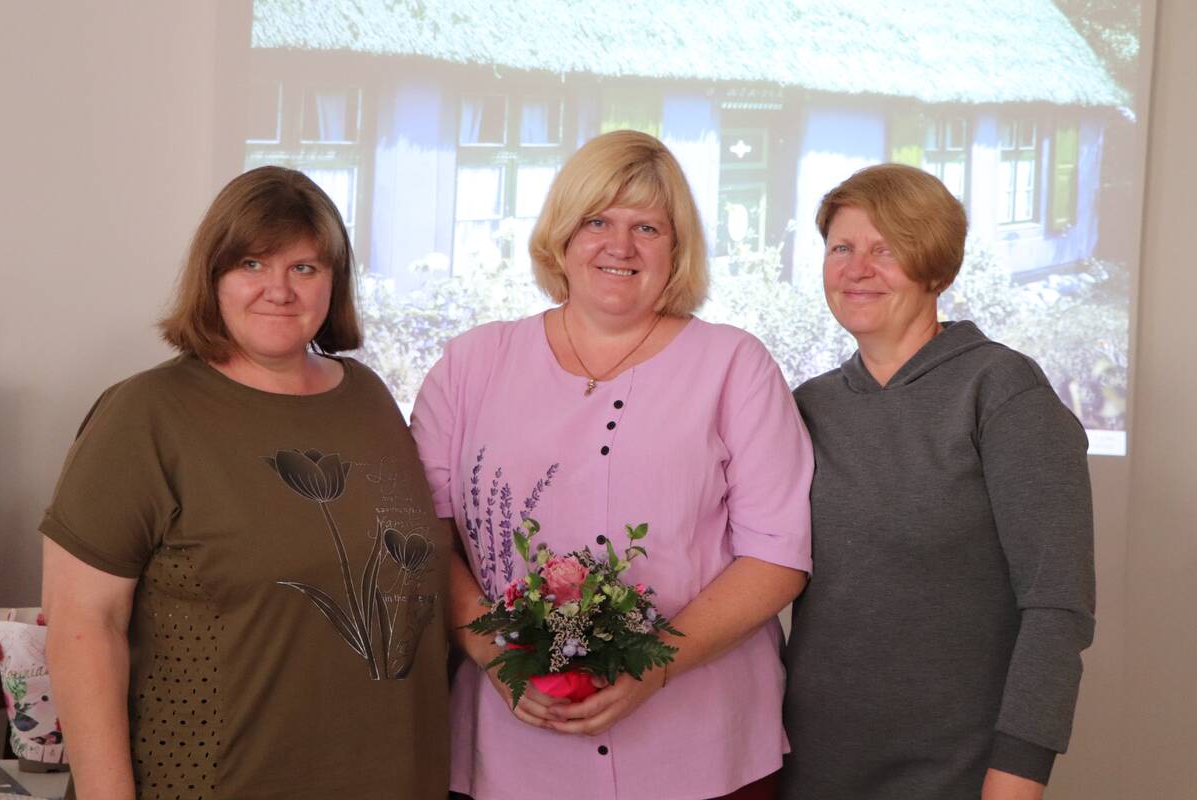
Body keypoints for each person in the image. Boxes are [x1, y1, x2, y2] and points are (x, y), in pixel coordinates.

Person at [411, 130, 813, 800]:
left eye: (647, 227)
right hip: (513, 754)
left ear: (677, 249)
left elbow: (777, 556)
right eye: (597, 221)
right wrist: (496, 655)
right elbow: (425, 534)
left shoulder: (735, 365)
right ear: (562, 236)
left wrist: (657, 667)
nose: (619, 246)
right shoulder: (471, 363)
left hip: (702, 751)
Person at [40, 166, 451, 800]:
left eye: (304, 268)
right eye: (252, 264)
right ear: (213, 277)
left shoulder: (368, 397)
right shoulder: (145, 414)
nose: (278, 290)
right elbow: (82, 626)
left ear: (334, 282)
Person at [781, 163, 1095, 800]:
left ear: (937, 268)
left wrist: (1018, 775)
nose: (857, 269)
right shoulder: (807, 405)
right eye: (841, 248)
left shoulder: (1002, 392)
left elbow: (1057, 607)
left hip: (956, 772)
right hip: (809, 766)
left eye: (886, 250)